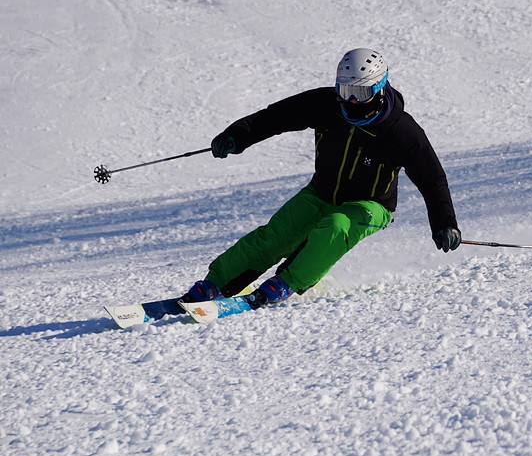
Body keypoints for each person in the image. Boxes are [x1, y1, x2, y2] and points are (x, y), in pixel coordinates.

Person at [181, 48, 461, 307]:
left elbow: (432, 180)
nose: (351, 100)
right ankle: (216, 283)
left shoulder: (402, 132)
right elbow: (276, 116)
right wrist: (236, 135)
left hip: (371, 205)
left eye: (360, 93)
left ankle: (286, 283)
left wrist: (444, 223)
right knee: (276, 235)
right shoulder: (326, 104)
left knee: (335, 226)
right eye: (345, 90)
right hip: (321, 192)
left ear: (379, 89)